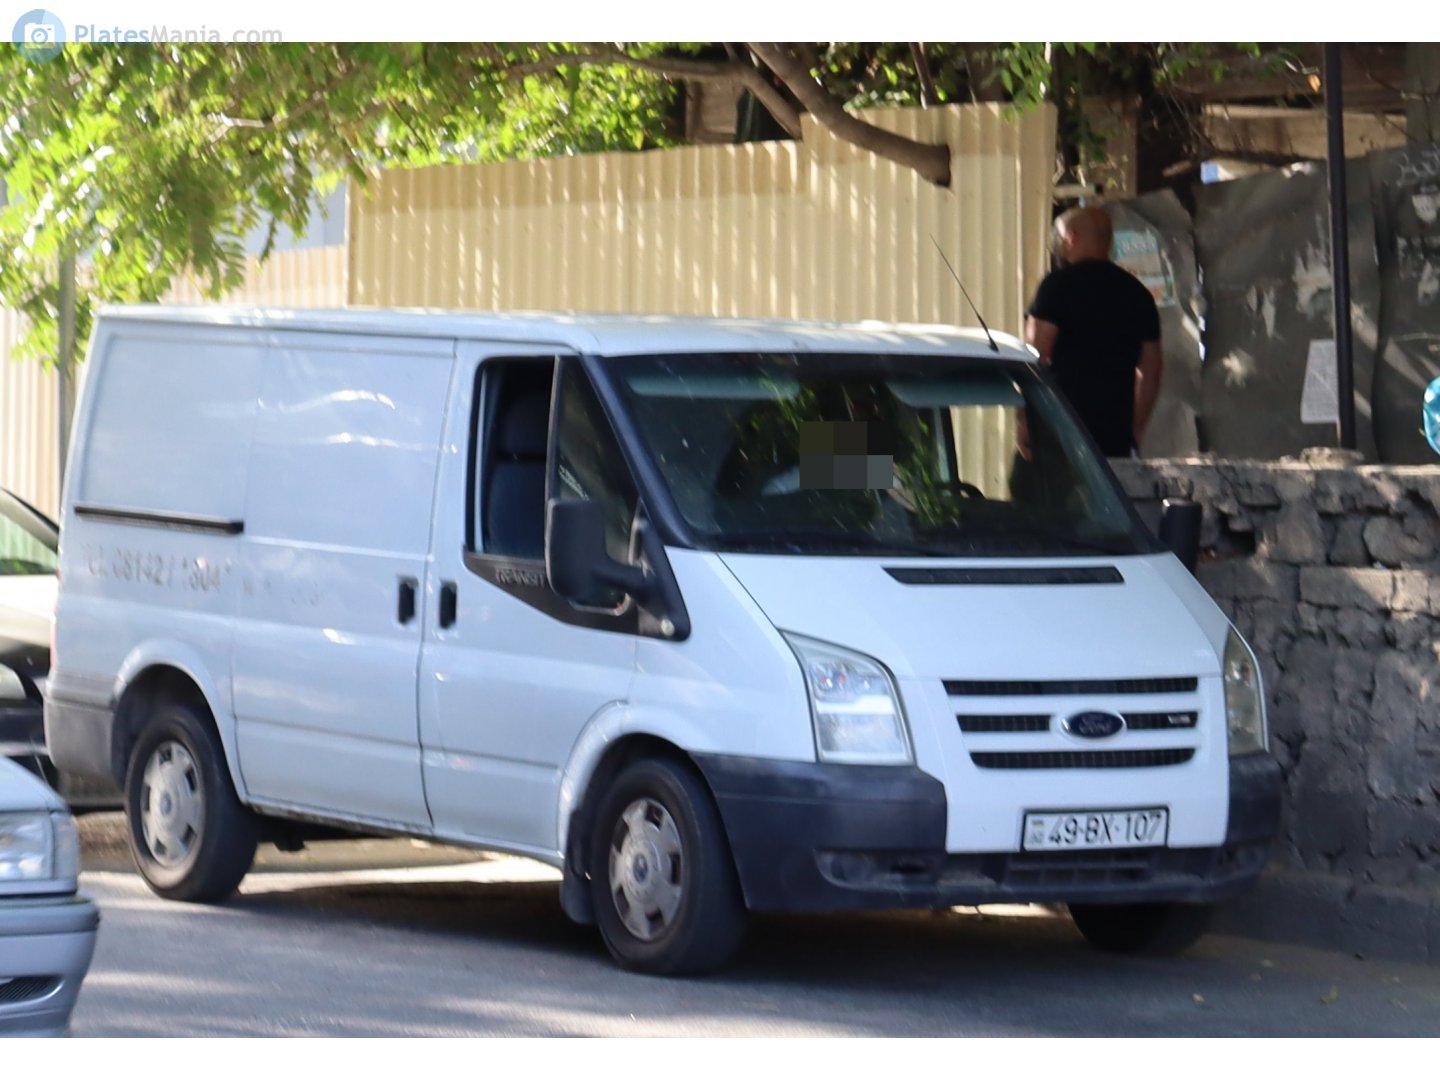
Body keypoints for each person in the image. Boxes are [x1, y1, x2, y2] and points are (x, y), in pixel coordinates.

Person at [1024, 206, 1163, 458]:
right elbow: (1151, 370)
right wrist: (1135, 426)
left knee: (1026, 492)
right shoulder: (1137, 293)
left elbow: (1035, 357)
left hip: (1060, 432)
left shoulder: (1056, 287)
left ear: (1071, 237)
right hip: (1113, 438)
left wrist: (1025, 422)